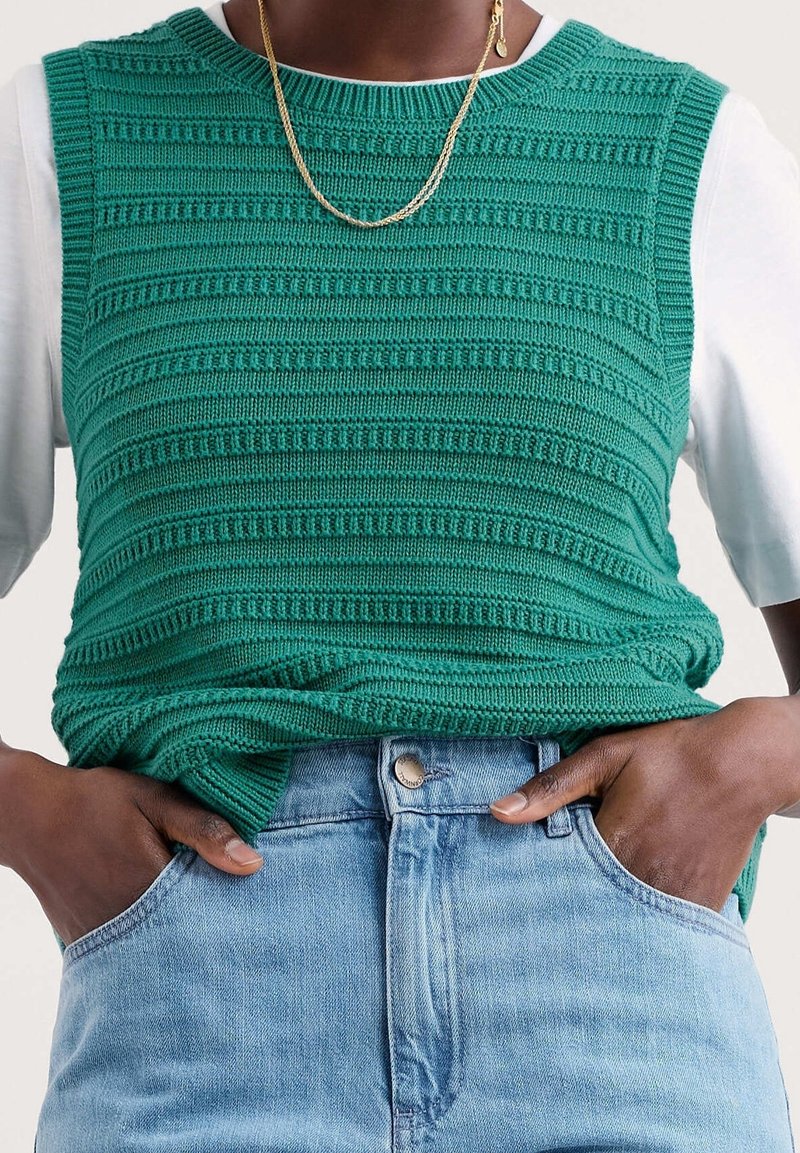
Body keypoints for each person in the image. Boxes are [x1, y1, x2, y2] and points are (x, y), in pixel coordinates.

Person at [0, 0, 798, 1148]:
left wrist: (748, 763)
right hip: (202, 992)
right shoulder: (61, 136)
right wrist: (27, 814)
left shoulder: (684, 146)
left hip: (612, 989)